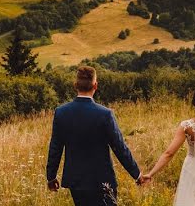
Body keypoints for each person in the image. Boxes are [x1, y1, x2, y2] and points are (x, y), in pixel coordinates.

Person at [46, 65, 147, 205]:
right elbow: (120, 147)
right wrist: (137, 175)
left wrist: (51, 177)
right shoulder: (105, 114)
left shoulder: (61, 112)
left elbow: (55, 147)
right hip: (102, 180)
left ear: (76, 85)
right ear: (95, 85)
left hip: (77, 182)